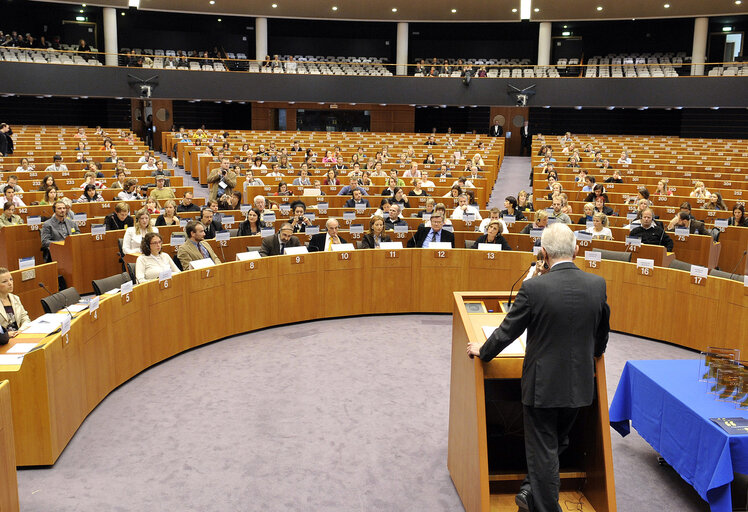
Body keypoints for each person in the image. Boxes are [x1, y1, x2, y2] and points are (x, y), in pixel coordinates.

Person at [467, 222, 610, 512]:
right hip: (581, 384)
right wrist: (591, 356)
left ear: (543, 253)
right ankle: (531, 491)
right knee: (560, 440)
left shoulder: (534, 288)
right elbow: (601, 336)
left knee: (544, 450)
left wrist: (483, 351)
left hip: (543, 388)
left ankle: (544, 505)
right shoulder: (597, 285)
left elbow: (508, 331)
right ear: (577, 249)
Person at [0, 268, 31, 336]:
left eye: (11, 279)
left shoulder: (15, 298)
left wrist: (21, 330)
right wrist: (6, 335)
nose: (10, 283)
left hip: (18, 336)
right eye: (4, 281)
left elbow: (25, 318)